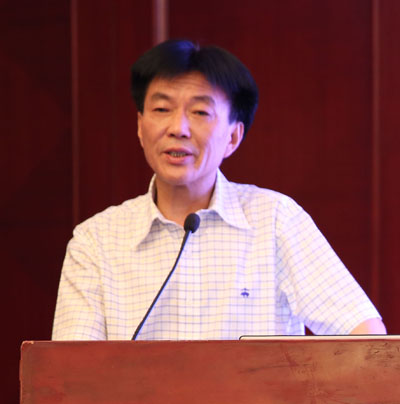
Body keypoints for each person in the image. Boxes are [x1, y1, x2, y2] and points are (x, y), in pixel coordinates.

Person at [52, 39, 386, 340]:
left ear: (233, 137)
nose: (178, 128)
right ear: (140, 126)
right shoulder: (96, 241)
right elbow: (69, 373)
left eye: (200, 112)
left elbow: (366, 336)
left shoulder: (275, 221)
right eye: (162, 109)